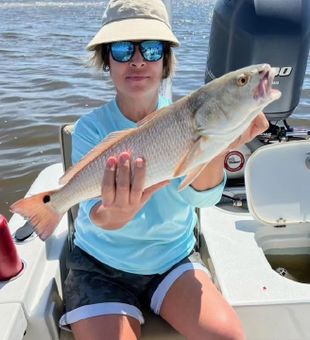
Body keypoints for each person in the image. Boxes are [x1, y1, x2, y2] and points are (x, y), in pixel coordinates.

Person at [59, 0, 269, 339]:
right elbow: (98, 217)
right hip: (99, 266)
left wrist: (222, 146)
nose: (138, 60)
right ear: (106, 60)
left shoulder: (195, 118)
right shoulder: (90, 129)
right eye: (123, 49)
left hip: (172, 260)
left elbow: (203, 199)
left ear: (166, 61)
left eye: (153, 49)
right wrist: (118, 213)